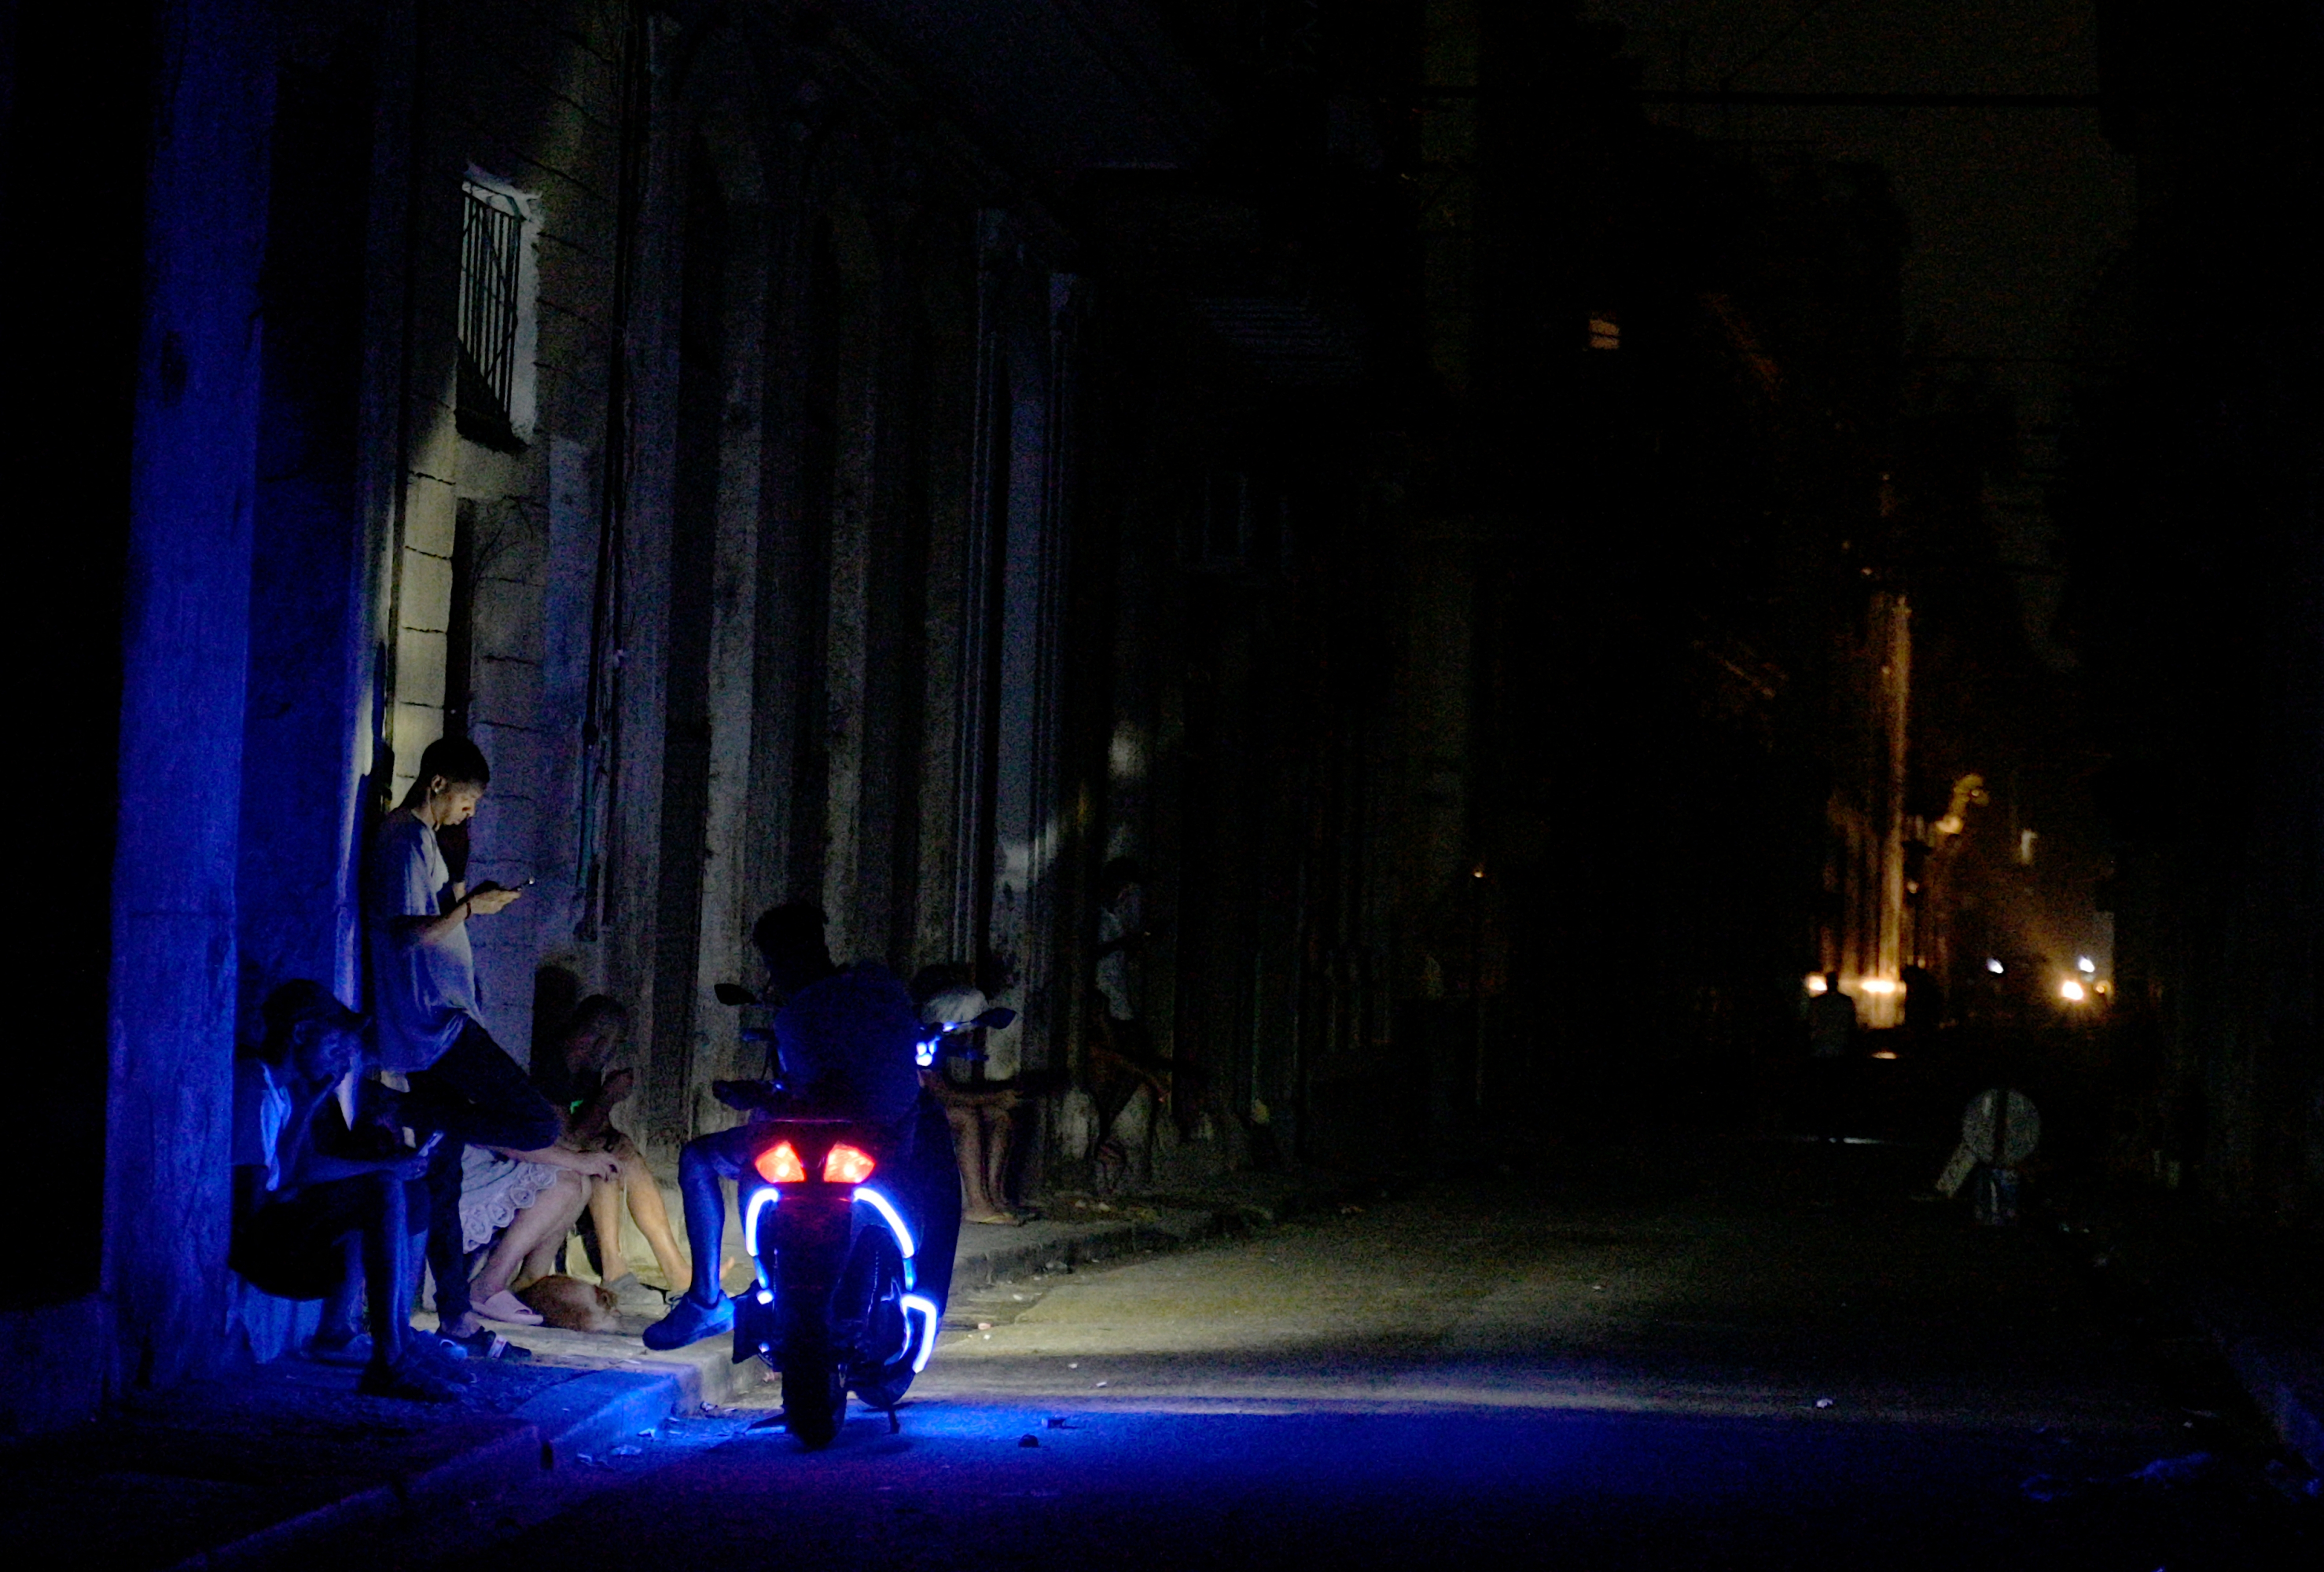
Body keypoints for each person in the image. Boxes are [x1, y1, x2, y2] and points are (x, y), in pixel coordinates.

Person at [366, 734, 594, 1346]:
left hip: (438, 1023)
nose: (469, 814)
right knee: (537, 1124)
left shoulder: (424, 842)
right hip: (435, 1026)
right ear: (438, 783)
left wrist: (468, 901)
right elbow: (404, 934)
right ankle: (403, 1110)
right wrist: (469, 910)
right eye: (467, 800)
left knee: (444, 1178)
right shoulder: (403, 839)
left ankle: (456, 1313)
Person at [642, 903, 927, 1350]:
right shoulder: (878, 985)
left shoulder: (800, 1015)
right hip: (892, 1138)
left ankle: (705, 1299)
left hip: (835, 1143)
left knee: (698, 1157)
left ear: (780, 959)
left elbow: (818, 1101)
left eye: (772, 962)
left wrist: (756, 1097)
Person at [231, 982, 461, 1402]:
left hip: (282, 1235)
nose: (341, 1059)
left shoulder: (289, 1091)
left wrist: (309, 1107)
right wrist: (373, 1171)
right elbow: (257, 1200)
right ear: (301, 1034)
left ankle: (401, 1346)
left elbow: (293, 1169)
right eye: (334, 1044)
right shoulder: (254, 1084)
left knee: (393, 1191)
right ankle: (390, 1360)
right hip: (262, 1250)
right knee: (381, 1187)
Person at [530, 995, 690, 1302]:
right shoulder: (552, 1065)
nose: (608, 1051)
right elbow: (569, 1139)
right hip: (537, 1157)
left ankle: (677, 1271)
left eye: (614, 1044)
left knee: (622, 1149)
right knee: (603, 1156)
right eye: (606, 1041)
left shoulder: (586, 1072)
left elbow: (596, 1126)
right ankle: (614, 1271)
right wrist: (608, 1097)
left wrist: (611, 1130)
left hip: (572, 1152)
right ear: (586, 1034)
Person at [912, 964, 1026, 1225]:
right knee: (966, 1118)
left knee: (999, 1116)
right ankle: (977, 1204)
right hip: (909, 1110)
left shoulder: (940, 1039)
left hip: (926, 1105)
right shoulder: (922, 1038)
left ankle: (995, 1198)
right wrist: (993, 1098)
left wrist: (995, 1100)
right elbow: (942, 1095)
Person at [1805, 971, 1856, 1140]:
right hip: (1839, 1052)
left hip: (1820, 1052)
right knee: (1838, 1092)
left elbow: (1810, 1027)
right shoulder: (1846, 1002)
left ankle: (1822, 1128)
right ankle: (1838, 1128)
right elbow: (1851, 1027)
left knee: (1822, 1091)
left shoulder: (1817, 1003)